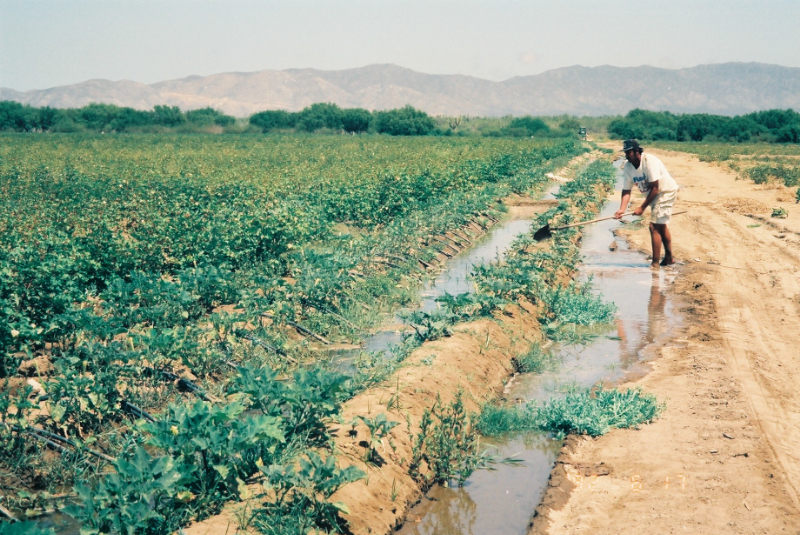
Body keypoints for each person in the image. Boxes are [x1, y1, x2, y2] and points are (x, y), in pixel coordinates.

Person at [613, 139, 679, 267]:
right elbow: (626, 190)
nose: (626, 156)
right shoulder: (628, 166)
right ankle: (669, 258)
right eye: (625, 153)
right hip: (654, 195)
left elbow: (655, 188)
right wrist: (622, 209)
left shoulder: (649, 162)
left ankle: (655, 264)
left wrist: (642, 208)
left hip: (665, 192)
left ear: (637, 151)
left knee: (654, 227)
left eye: (629, 152)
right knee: (661, 225)